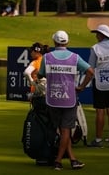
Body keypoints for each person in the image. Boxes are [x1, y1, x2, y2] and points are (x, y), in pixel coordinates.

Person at [38, 30, 93, 170]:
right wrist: (81, 86)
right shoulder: (74, 57)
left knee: (62, 131)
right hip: (69, 98)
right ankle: (58, 161)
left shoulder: (47, 57)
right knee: (66, 130)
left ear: (54, 42)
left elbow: (40, 75)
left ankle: (72, 159)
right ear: (67, 42)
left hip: (53, 99)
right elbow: (90, 72)